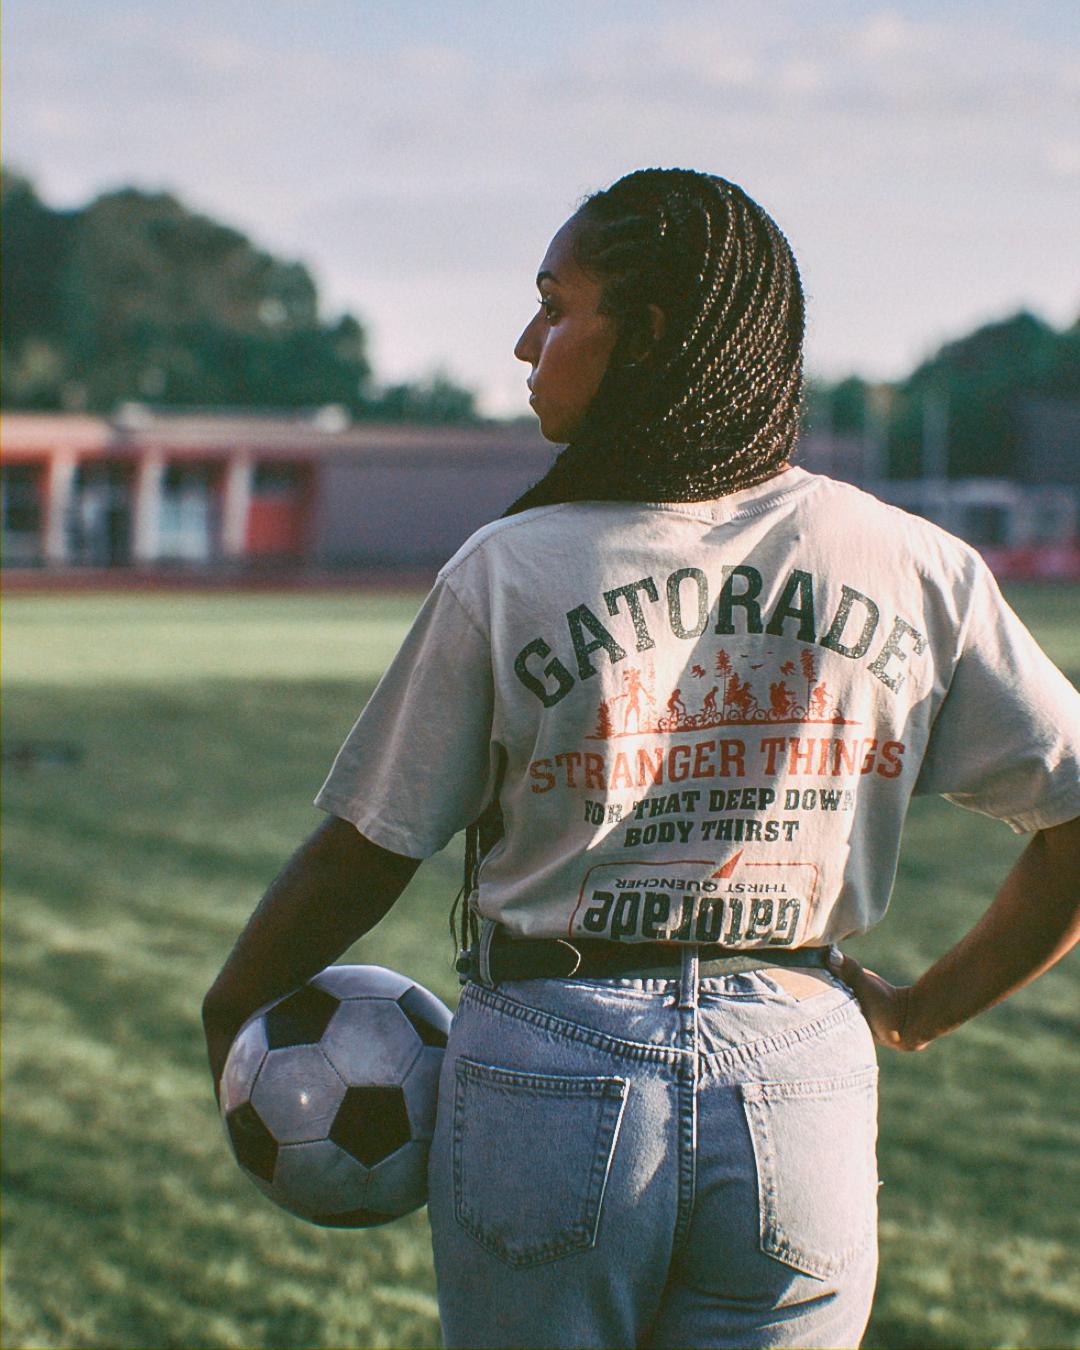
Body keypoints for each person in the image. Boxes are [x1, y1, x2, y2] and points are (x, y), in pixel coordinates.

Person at [203, 168, 1080, 1349]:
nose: (525, 341)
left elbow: (370, 853)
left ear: (649, 335)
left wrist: (233, 1009)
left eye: (555, 304)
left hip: (552, 1065)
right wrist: (921, 1013)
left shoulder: (511, 568)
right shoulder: (912, 562)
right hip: (799, 1066)